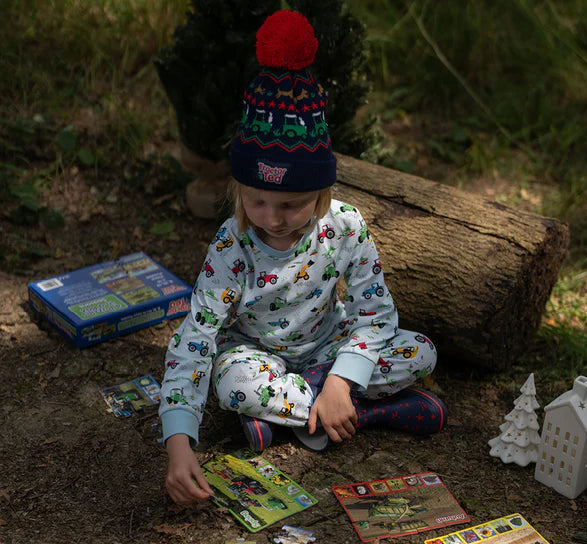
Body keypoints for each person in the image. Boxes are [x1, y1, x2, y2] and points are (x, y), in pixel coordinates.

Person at [159, 10, 447, 504]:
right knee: (231, 385)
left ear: (320, 191)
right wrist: (178, 443)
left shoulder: (346, 226)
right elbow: (197, 338)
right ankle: (364, 414)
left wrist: (341, 377)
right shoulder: (233, 245)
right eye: (256, 200)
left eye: (291, 204)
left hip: (327, 348)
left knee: (420, 351)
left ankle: (303, 414)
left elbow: (375, 314)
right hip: (258, 355)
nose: (272, 218)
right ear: (239, 189)